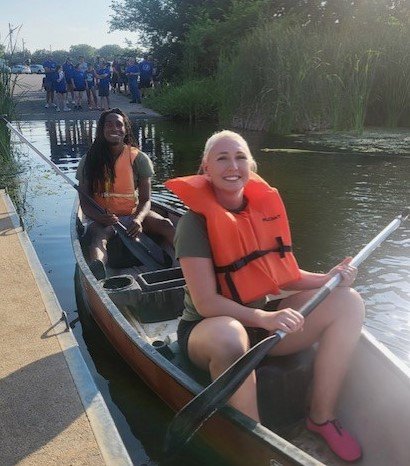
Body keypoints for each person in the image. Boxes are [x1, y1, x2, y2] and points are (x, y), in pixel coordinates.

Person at [165, 130, 365, 463]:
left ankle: (321, 418)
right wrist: (264, 318)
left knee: (348, 302)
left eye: (240, 157)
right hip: (209, 331)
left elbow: (285, 275)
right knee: (230, 335)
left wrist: (330, 278)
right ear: (206, 168)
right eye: (222, 158)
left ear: (251, 164)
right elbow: (206, 303)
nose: (233, 165)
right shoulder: (193, 224)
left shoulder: (261, 209)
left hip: (262, 325)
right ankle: (257, 452)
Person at [76, 108, 175, 278]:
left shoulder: (139, 158)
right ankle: (98, 271)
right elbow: (85, 204)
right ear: (102, 130)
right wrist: (101, 218)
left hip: (132, 214)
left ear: (125, 130)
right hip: (103, 219)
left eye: (118, 124)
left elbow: (145, 200)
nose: (114, 128)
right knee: (99, 238)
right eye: (108, 125)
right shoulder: (89, 160)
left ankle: (190, 260)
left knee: (166, 224)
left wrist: (138, 219)